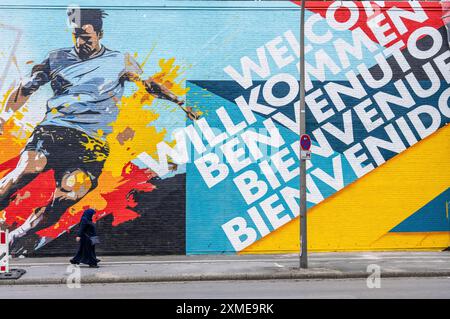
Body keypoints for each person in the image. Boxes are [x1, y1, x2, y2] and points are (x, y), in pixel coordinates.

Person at [0, 8, 198, 252]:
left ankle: (19, 234)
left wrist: (178, 102)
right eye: (76, 36)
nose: (81, 42)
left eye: (86, 36)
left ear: (99, 34)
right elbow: (25, 88)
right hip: (55, 130)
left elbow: (148, 85)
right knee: (28, 169)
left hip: (92, 144)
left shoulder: (120, 61)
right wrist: (3, 115)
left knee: (68, 195)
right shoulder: (56, 58)